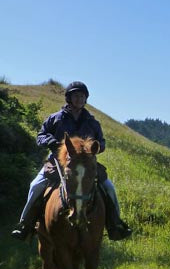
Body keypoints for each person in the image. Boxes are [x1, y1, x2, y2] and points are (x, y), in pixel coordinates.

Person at [10, 81, 132, 241]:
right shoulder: (55, 118)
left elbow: (101, 141)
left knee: (109, 188)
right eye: (76, 96)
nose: (79, 99)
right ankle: (25, 224)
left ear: (85, 99)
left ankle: (115, 225)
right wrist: (51, 141)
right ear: (69, 98)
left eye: (82, 96)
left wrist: (95, 147)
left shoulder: (92, 122)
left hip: (87, 163)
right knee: (36, 185)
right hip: (57, 162)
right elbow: (40, 135)